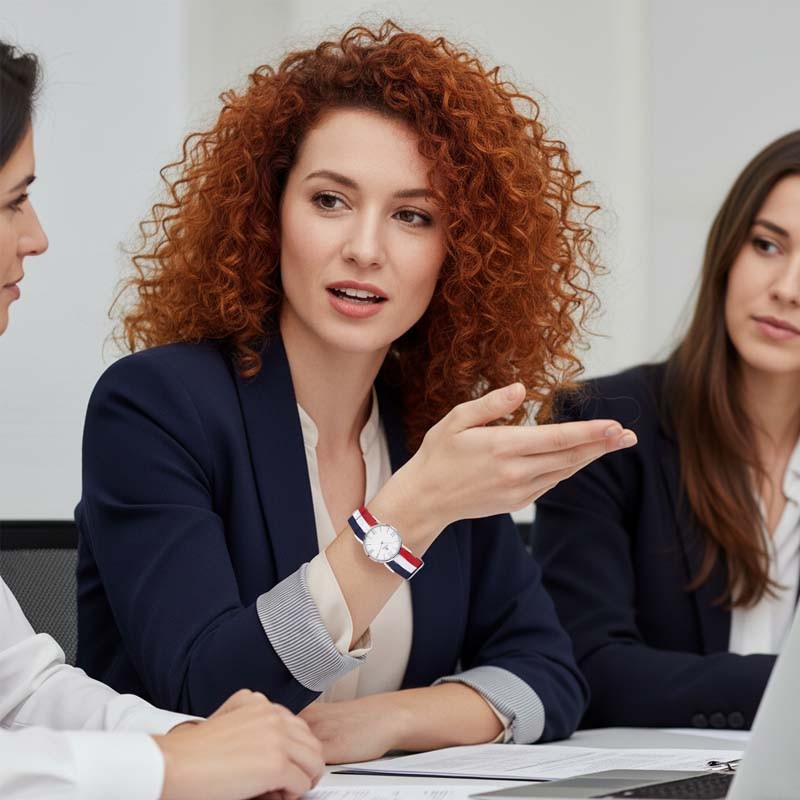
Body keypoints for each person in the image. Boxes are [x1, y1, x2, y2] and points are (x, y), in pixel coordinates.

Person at [75, 21, 637, 762]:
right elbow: (204, 690)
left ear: (457, 252)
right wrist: (410, 513)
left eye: (412, 215)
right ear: (267, 214)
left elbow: (550, 677)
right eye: (330, 200)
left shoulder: (429, 426)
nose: (365, 249)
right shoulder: (156, 406)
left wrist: (394, 720)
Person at [0, 39, 324, 800]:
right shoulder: (159, 404)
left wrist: (194, 743)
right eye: (13, 200)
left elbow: (20, 693)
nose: (38, 236)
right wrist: (167, 765)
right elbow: (207, 671)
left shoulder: (433, 423)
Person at [533, 130, 800, 731]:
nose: (787, 289)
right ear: (728, 250)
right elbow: (587, 667)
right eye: (767, 245)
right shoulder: (603, 422)